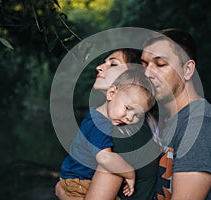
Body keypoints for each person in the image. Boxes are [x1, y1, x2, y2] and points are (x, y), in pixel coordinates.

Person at [140, 28, 211, 199]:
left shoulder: (202, 129)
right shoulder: (170, 122)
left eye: (160, 64)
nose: (147, 73)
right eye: (144, 64)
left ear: (187, 70)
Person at [55, 49, 161, 200]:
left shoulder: (123, 134)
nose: (99, 67)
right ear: (112, 93)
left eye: (113, 64)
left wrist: (61, 191)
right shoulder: (106, 123)